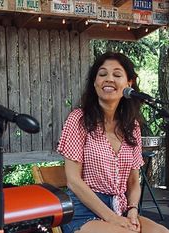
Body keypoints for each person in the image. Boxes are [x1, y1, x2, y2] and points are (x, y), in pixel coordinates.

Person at [57, 52, 168, 233]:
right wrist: (112, 219)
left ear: (128, 84)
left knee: (161, 232)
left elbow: (133, 181)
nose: (109, 79)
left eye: (117, 75)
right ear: (94, 83)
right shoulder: (78, 119)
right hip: (83, 211)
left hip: (121, 209)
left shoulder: (132, 126)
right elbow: (73, 181)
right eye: (102, 74)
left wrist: (132, 210)